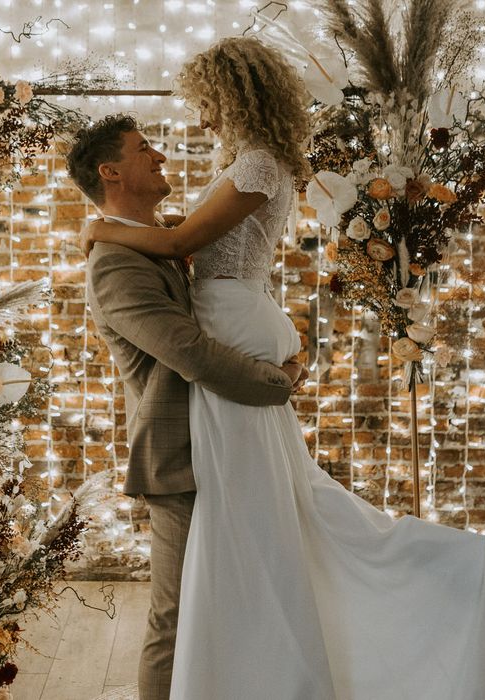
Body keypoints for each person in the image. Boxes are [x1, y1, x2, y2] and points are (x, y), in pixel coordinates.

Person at [82, 36, 485, 700]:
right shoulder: (252, 163)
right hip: (232, 335)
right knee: (266, 522)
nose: (199, 119)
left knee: (260, 524)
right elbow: (178, 264)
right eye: (146, 148)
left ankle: (290, 652)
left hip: (233, 329)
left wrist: (95, 228)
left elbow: (177, 244)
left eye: (205, 101)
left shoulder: (255, 166)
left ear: (229, 94)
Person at [67, 113, 308, 700]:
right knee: (175, 617)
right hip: (181, 459)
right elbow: (190, 353)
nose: (161, 157)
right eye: (144, 148)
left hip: (224, 442)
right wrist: (279, 381)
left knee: (234, 603)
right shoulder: (116, 264)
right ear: (111, 171)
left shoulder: (162, 243)